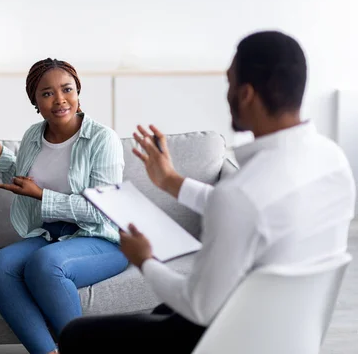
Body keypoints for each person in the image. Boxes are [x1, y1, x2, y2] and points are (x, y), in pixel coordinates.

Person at [58, 31, 356, 353]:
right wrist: (171, 181)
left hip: (231, 339)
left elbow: (199, 306)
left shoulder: (242, 195)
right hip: (288, 333)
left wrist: (144, 260)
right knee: (162, 312)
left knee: (76, 335)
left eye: (229, 83)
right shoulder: (333, 160)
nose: (226, 93)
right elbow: (250, 213)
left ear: (246, 94)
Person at [0, 58, 129, 354]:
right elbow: (21, 180)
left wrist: (42, 196)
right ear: (35, 101)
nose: (60, 100)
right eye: (47, 93)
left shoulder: (103, 138)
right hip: (52, 235)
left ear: (78, 93)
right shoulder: (34, 135)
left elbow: (102, 210)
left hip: (103, 237)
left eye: (67, 90)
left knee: (45, 265)